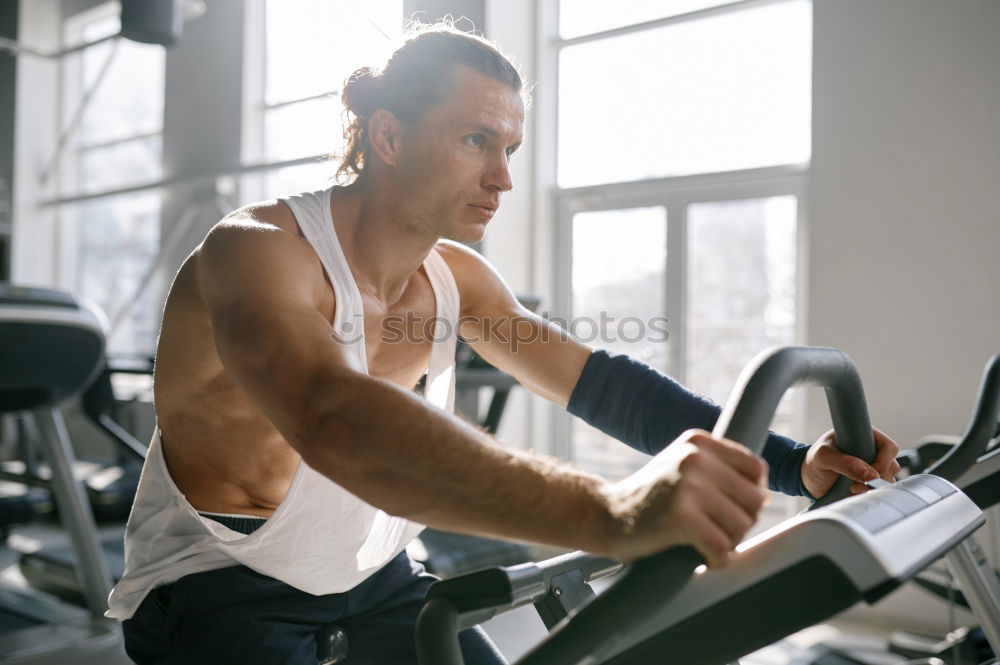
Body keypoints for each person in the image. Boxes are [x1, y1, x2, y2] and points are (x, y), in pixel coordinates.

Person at [106, 21, 900, 665]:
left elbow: (601, 383)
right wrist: (612, 509)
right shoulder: (256, 250)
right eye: (475, 141)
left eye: (509, 149)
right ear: (388, 136)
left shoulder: (458, 279)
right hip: (223, 580)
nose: (503, 178)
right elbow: (331, 419)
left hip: (374, 577)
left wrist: (796, 463)